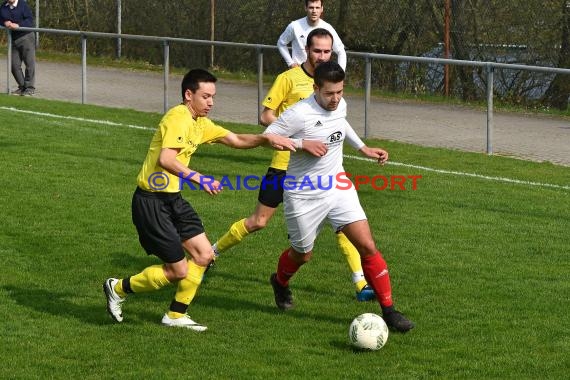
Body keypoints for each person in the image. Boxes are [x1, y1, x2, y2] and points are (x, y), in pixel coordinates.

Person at [103, 69, 295, 331]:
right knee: (178, 271)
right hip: (151, 202)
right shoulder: (178, 117)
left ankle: (175, 315)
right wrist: (200, 178)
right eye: (206, 96)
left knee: (204, 254)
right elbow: (166, 159)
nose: (211, 102)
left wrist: (265, 139)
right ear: (188, 94)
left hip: (173, 200)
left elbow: (235, 139)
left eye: (213, 97)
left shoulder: (199, 123)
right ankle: (117, 288)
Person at [212, 28, 375, 302]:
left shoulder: (331, 85)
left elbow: (339, 120)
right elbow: (266, 117)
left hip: (321, 173)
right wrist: (295, 130)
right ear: (306, 50)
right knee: (258, 221)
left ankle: (360, 283)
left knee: (344, 224)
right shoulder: (288, 78)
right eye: (317, 51)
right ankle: (211, 253)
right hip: (284, 167)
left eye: (327, 51)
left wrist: (359, 145)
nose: (322, 56)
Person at [264, 61, 415, 333]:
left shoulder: (339, 105)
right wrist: (301, 144)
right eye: (329, 93)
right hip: (303, 194)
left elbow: (341, 125)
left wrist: (363, 148)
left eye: (340, 92)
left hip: (338, 185)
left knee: (367, 245)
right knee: (302, 255)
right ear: (315, 88)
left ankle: (389, 310)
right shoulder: (299, 113)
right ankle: (280, 282)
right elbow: (268, 135)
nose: (335, 99)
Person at [277, 0, 346, 70]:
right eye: (311, 7)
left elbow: (341, 51)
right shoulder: (294, 26)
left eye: (317, 8)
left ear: (322, 9)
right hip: (298, 72)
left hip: (320, 74)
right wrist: (290, 63)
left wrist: (341, 74)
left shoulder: (328, 28)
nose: (314, 11)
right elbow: (281, 43)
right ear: (305, 8)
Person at [0, 0, 36, 96]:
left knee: (29, 64)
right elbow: (0, 19)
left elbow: (30, 20)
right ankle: (22, 87)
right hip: (13, 39)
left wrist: (18, 25)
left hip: (26, 37)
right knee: (14, 65)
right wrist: (5, 23)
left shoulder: (22, 4)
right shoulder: (4, 6)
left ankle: (29, 88)